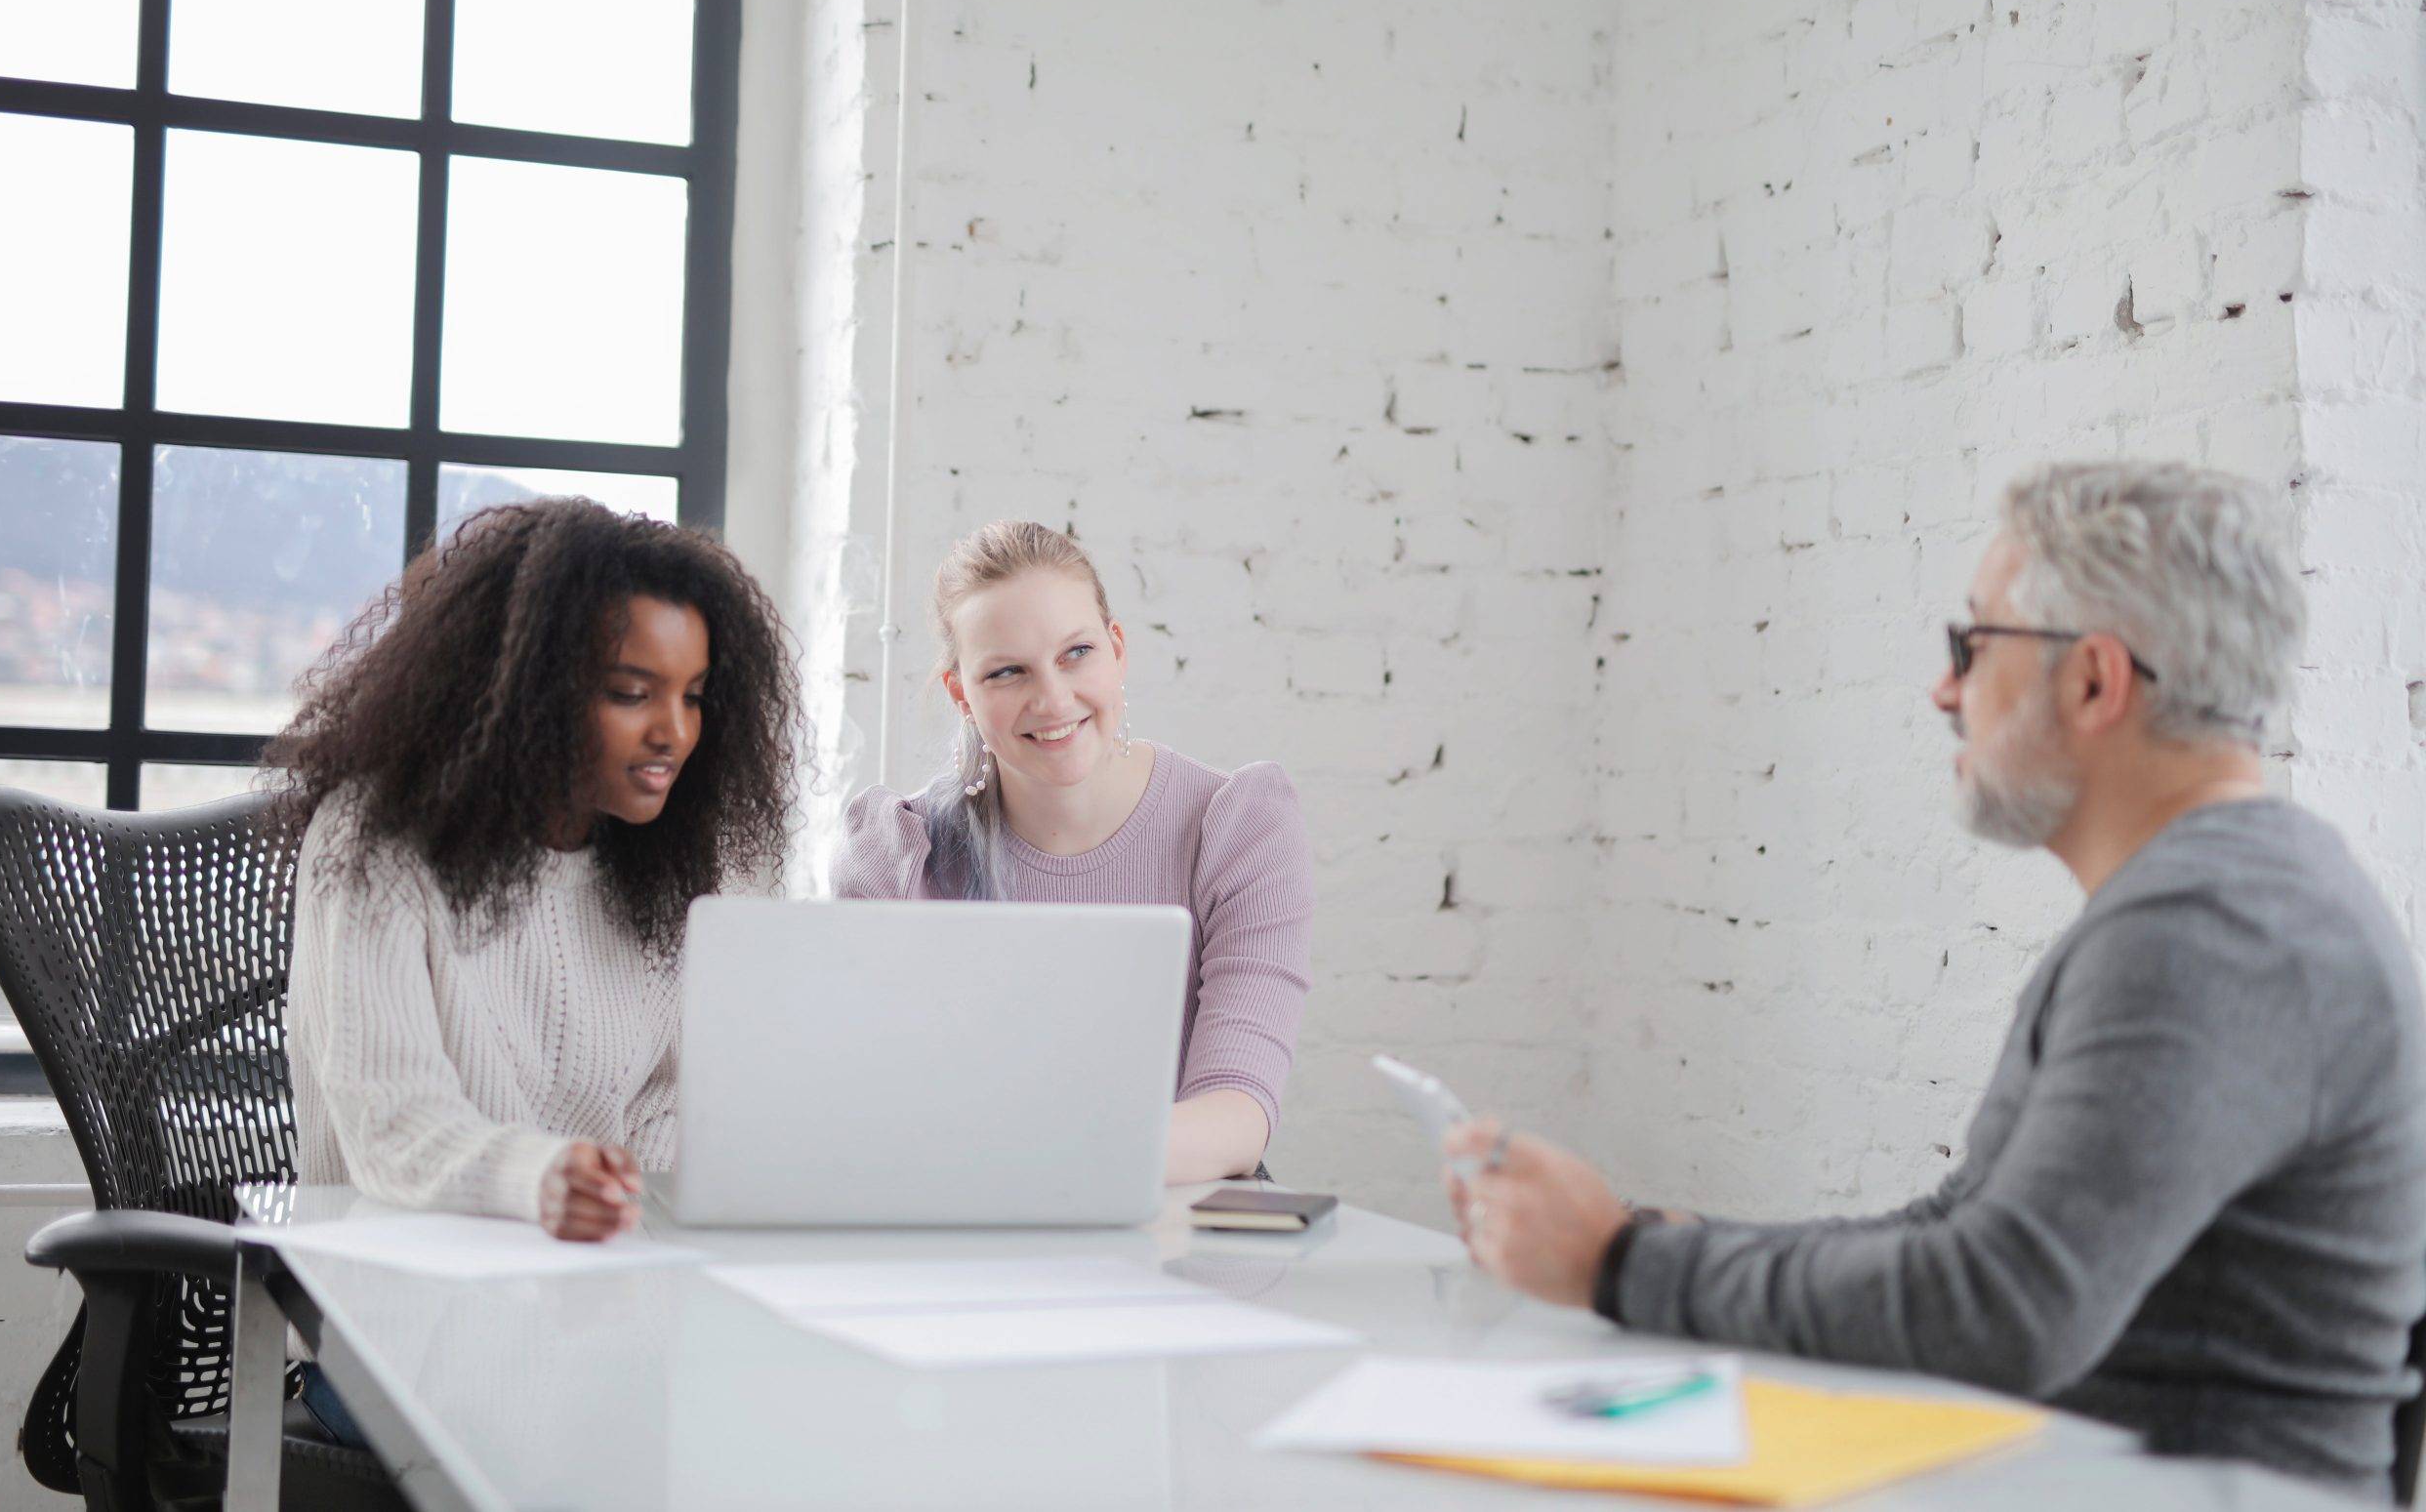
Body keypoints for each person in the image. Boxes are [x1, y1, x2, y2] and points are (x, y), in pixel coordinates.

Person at [1444, 462, 2426, 1497]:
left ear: (2094, 680)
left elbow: (1998, 1307)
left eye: (1973, 643)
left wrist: (1619, 1269)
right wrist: (1658, 1242)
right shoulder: (2221, 900)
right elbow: (1963, 1226)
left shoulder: (2212, 931)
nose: (1943, 689)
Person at [270, 499, 803, 1240]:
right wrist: (540, 1180)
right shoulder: (375, 840)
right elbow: (391, 1124)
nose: (674, 733)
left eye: (693, 696)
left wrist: (623, 1210)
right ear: (527, 688)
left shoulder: (669, 867)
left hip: (591, 1302)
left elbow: (664, 1106)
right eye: (630, 693)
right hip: (396, 1307)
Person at [833, 519, 1313, 1184]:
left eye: (1076, 653)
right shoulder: (897, 854)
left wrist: (1020, 1159)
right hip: (964, 1241)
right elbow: (866, 1106)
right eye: (1006, 671)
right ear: (960, 693)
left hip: (1172, 1242)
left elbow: (1234, 1116)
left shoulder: (1238, 828)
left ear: (1117, 649)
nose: (1053, 698)